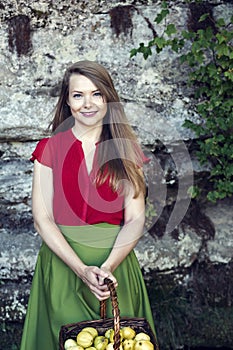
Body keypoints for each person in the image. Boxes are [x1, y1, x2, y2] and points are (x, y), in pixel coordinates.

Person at [20, 60, 156, 350]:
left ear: (108, 99)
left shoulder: (126, 149)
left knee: (120, 341)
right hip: (62, 266)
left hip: (115, 267)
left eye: (96, 93)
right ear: (67, 102)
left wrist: (106, 269)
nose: (88, 103)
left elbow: (135, 218)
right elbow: (42, 218)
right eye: (78, 95)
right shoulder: (49, 149)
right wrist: (82, 270)